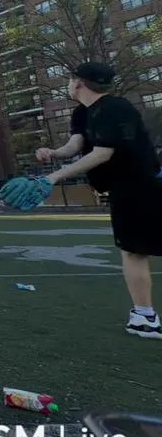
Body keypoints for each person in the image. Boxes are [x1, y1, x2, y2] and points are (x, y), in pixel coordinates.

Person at [21, 62, 160, 339]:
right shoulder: (82, 112)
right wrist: (54, 153)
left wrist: (53, 177)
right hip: (124, 188)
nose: (68, 84)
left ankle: (146, 318)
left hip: (141, 185)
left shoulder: (115, 108)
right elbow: (76, 145)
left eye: (70, 79)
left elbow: (101, 153)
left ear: (78, 83)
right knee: (133, 250)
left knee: (134, 252)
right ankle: (144, 316)